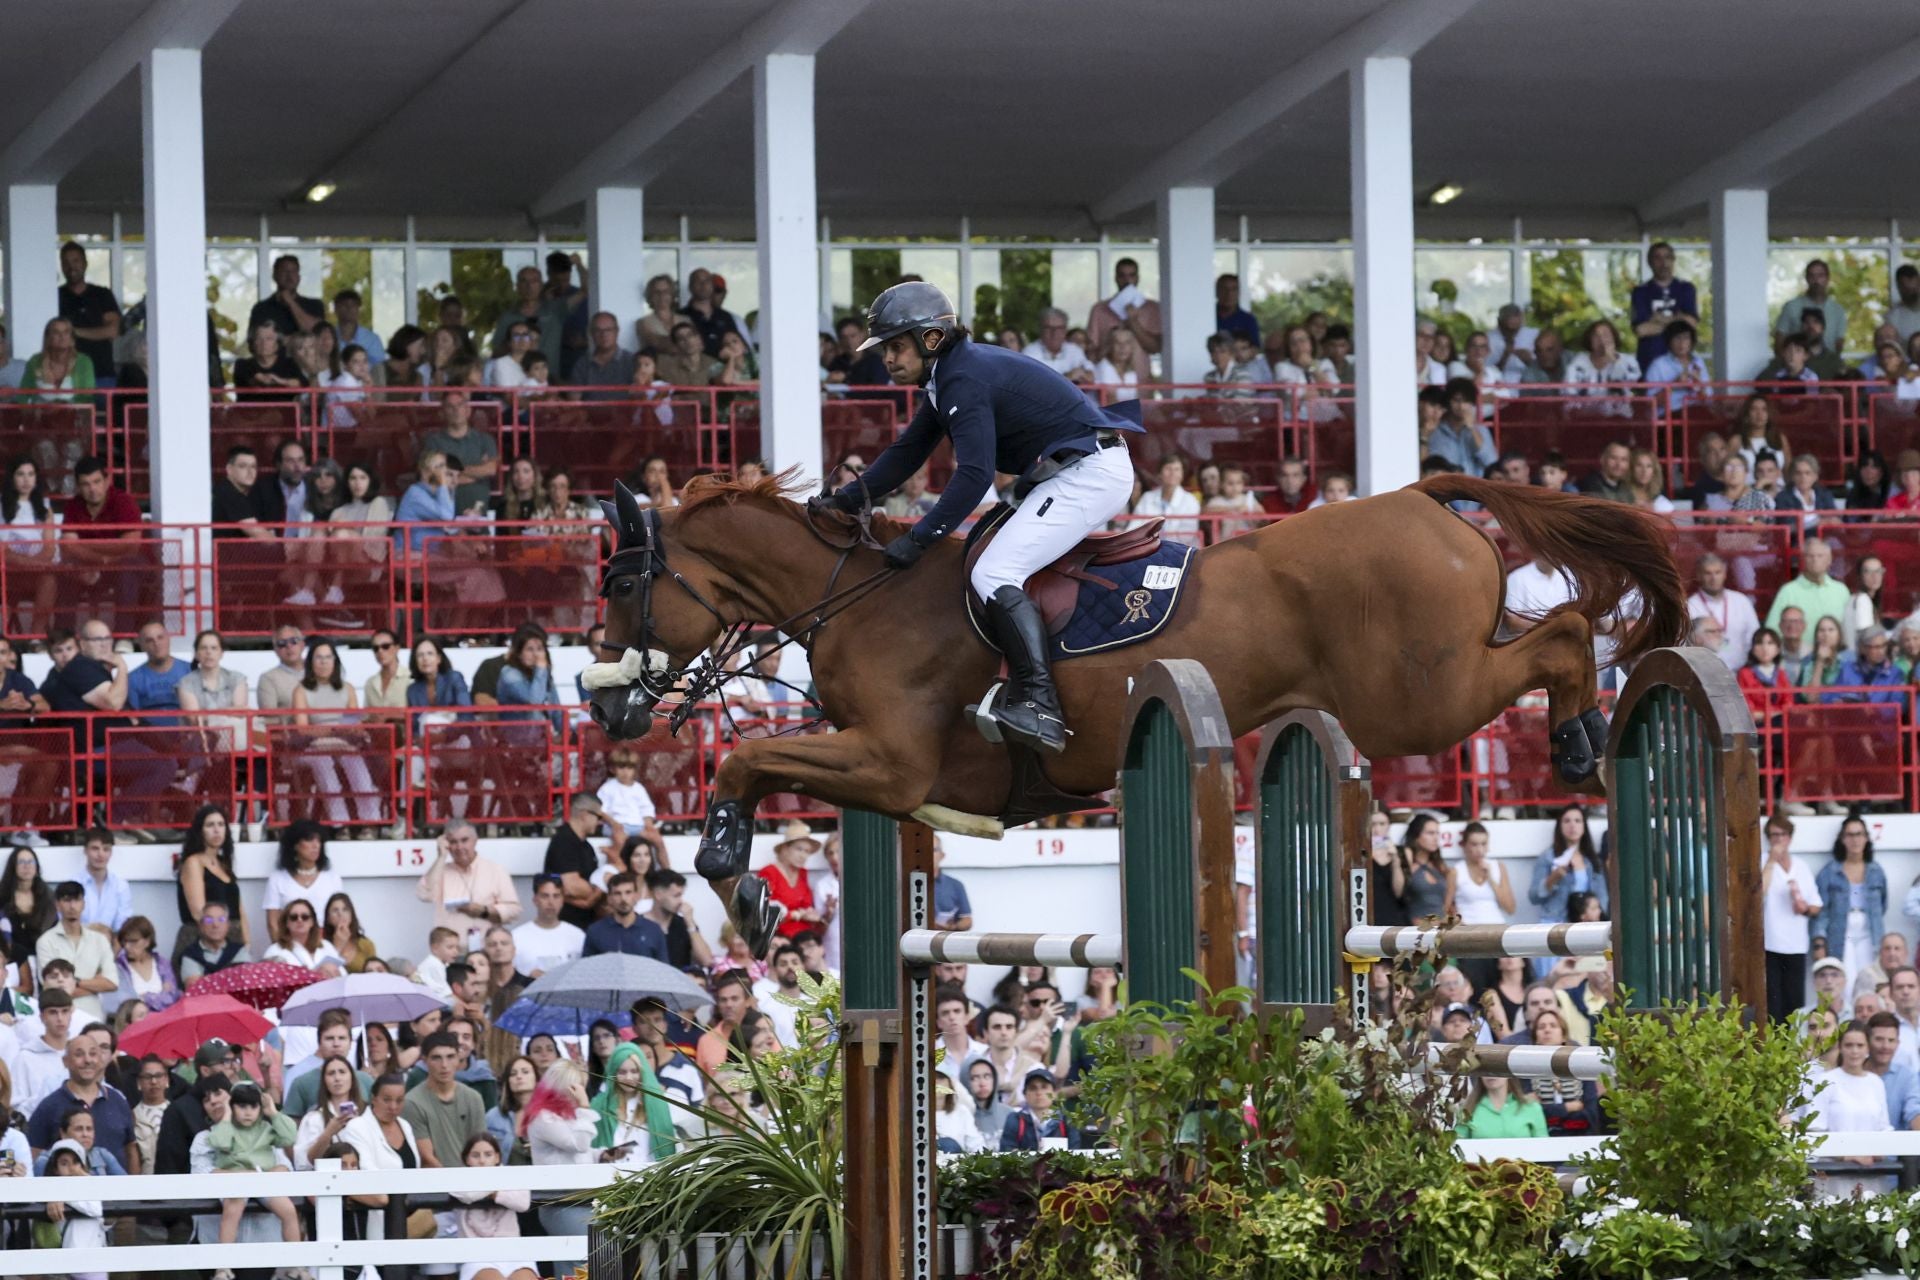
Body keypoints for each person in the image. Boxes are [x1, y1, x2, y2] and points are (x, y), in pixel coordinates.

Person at [804, 281, 1142, 767]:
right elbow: (905, 455)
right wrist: (841, 501)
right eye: (886, 349)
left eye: (896, 346)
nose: (889, 359)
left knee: (993, 573)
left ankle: (1040, 704)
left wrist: (921, 539)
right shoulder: (949, 377)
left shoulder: (963, 378)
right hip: (1073, 468)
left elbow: (975, 475)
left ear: (932, 339)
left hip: (1090, 473)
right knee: (988, 563)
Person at [520, 1059, 599, 1266]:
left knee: (573, 1263)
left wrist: (603, 1155)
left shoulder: (564, 1116)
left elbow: (582, 1154)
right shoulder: (543, 1118)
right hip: (560, 1204)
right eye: (577, 1086)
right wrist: (584, 1106)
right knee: (584, 1262)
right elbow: (578, 1144)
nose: (580, 1091)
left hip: (579, 1202)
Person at [449, 1133, 543, 1280]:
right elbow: (465, 1195)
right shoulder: (457, 1178)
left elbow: (523, 1203)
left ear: (497, 1157)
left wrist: (495, 1193)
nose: (482, 1160)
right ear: (466, 1159)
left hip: (513, 1252)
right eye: (475, 1155)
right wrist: (494, 1188)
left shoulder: (509, 1174)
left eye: (488, 1154)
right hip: (477, 1256)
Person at [1816, 817, 1890, 990]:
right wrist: (1819, 940)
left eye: (1859, 834)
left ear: (1866, 838)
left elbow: (1883, 903)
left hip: (1869, 928)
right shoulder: (1830, 871)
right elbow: (1822, 910)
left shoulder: (1876, 870)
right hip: (1841, 929)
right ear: (1842, 839)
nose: (1855, 840)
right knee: (1845, 977)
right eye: (1850, 835)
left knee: (1870, 977)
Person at [1762, 815, 1821, 1024]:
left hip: (1796, 944)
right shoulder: (1762, 861)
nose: (1779, 839)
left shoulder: (1801, 866)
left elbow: (1816, 905)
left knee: (1794, 1003)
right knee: (1773, 1003)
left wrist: (1804, 908)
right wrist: (1770, 861)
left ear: (1790, 837)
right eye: (1774, 835)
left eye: (1783, 834)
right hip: (1770, 943)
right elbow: (1759, 892)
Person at [417, 822, 522, 937]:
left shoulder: (495, 870)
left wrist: (484, 911)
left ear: (475, 840)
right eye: (453, 842)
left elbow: (514, 910)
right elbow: (424, 895)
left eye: (464, 840)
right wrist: (441, 856)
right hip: (451, 951)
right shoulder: (440, 872)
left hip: (486, 950)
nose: (459, 847)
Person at [402, 1030, 486, 1168]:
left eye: (450, 1056)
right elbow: (427, 1157)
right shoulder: (412, 1102)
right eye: (436, 1058)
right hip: (435, 1183)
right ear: (424, 1060)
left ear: (459, 1058)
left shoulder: (473, 1098)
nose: (444, 1065)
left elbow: (480, 1147)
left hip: (472, 1181)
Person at [36, 882, 116, 1019]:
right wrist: (94, 986)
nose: (72, 906)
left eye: (77, 900)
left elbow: (111, 983)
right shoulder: (46, 941)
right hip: (59, 1016)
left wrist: (74, 982)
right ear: (57, 905)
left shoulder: (99, 940)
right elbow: (51, 987)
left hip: (94, 1016)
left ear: (83, 904)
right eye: (67, 900)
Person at [590, 1042, 675, 1169]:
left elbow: (667, 1147)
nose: (629, 1077)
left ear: (642, 1072)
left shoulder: (657, 1104)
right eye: (622, 1072)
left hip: (650, 1178)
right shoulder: (599, 1105)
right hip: (610, 1178)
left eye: (634, 1071)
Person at [757, 821, 826, 943]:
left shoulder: (803, 873)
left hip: (805, 937)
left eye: (807, 852)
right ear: (785, 848)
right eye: (799, 849)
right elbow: (765, 911)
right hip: (778, 939)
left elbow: (806, 905)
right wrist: (795, 915)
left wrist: (810, 914)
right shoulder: (769, 872)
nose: (803, 856)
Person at [1767, 538, 1850, 634]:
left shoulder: (1841, 591)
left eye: (1820, 556)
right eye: (1810, 556)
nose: (1815, 560)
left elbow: (1849, 628)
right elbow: (1773, 630)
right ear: (1803, 560)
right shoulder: (1788, 591)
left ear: (1829, 560)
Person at [582, 873, 667, 960]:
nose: (623, 899)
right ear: (609, 898)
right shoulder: (596, 931)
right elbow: (587, 968)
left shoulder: (653, 930)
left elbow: (663, 969)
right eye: (617, 893)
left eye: (628, 892)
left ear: (637, 896)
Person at [107, 915, 179, 1018]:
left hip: (165, 1020)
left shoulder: (163, 963)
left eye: (133, 941)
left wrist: (144, 997)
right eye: (124, 941)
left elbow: (171, 997)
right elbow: (125, 1003)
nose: (127, 946)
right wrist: (158, 996)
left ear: (147, 941)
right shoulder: (119, 967)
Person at [1000, 1067, 1079, 1151]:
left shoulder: (1067, 1120)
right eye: (1033, 1088)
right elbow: (1007, 1151)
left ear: (1054, 1093)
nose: (1039, 1092)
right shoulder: (1015, 1119)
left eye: (1044, 1087)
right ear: (1025, 1094)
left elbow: (1074, 1153)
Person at [1399, 814, 1448, 924]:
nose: (1436, 838)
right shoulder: (1408, 863)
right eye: (1430, 833)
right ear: (1416, 836)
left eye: (1437, 833)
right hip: (1416, 928)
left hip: (1442, 927)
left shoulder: (1439, 865)